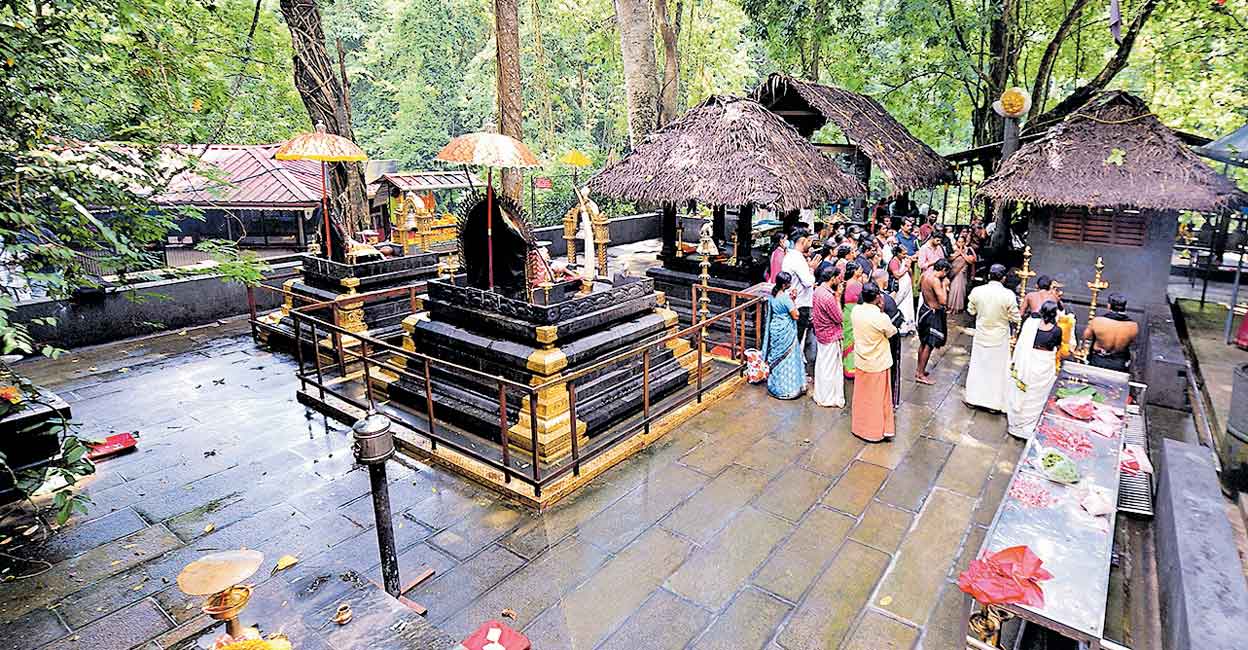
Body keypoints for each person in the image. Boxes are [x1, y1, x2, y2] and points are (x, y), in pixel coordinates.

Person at [964, 264, 1020, 412]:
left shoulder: (977, 291)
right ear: (1003, 278)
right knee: (996, 370)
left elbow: (971, 310)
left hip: (982, 334)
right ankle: (993, 404)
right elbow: (1015, 318)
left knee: (978, 366)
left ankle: (973, 399)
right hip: (999, 337)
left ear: (989, 276)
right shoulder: (1008, 295)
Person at [1007, 300, 1064, 439]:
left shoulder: (1030, 325)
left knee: (1026, 392)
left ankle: (1018, 423)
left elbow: (1020, 339)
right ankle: (1029, 425)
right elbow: (1057, 346)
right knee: (1038, 395)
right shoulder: (1056, 330)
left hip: (1029, 362)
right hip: (1044, 363)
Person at [851, 283, 899, 442]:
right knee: (878, 399)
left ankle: (860, 427)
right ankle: (874, 431)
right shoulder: (880, 317)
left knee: (862, 397)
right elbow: (892, 332)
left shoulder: (856, 311)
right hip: (878, 363)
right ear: (878, 297)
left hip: (861, 360)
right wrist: (882, 309)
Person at [763, 272, 806, 399]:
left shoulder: (773, 294)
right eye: (789, 283)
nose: (791, 284)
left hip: (775, 327)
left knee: (776, 358)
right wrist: (793, 301)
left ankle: (775, 386)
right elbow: (795, 315)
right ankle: (788, 388)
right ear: (784, 284)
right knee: (787, 358)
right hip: (786, 329)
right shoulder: (785, 298)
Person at [782, 228, 820, 361]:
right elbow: (808, 281)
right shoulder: (797, 259)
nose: (811, 243)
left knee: (796, 339)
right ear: (803, 241)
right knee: (797, 339)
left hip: (795, 301)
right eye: (809, 240)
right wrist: (811, 269)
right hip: (799, 304)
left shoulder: (792, 256)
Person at [811, 267, 846, 407]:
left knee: (822, 365)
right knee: (830, 368)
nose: (840, 281)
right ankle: (828, 397)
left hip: (821, 333)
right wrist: (838, 297)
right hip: (830, 334)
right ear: (832, 279)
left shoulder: (818, 291)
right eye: (838, 278)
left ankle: (821, 394)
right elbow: (839, 318)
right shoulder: (828, 297)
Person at [871, 271, 906, 407]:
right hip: (886, 343)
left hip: (869, 342)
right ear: (884, 282)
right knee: (891, 370)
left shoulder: (864, 297)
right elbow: (894, 326)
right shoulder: (887, 300)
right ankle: (890, 400)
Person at [915, 258, 950, 384]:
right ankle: (920, 374)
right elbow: (943, 301)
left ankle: (919, 370)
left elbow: (918, 287)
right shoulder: (935, 280)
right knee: (928, 345)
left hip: (924, 309)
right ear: (944, 270)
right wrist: (944, 285)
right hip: (932, 313)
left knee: (923, 342)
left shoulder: (925, 274)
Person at [1083, 293, 1138, 372]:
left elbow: (1086, 337)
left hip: (1098, 361)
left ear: (1109, 306)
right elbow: (1133, 344)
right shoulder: (1134, 326)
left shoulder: (1097, 321)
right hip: (1119, 363)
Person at [841, 265, 864, 379]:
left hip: (847, 312)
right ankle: (850, 368)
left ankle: (846, 366)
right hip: (853, 313)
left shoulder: (847, 283)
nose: (862, 271)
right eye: (860, 269)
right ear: (855, 272)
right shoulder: (857, 285)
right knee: (852, 339)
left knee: (847, 338)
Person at [947, 230, 977, 314]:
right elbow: (949, 259)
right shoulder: (953, 249)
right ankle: (950, 307)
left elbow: (971, 261)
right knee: (952, 289)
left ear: (964, 243)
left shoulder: (968, 250)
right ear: (956, 242)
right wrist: (957, 254)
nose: (960, 243)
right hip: (953, 273)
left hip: (962, 273)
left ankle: (958, 308)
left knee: (961, 290)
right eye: (959, 242)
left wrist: (962, 254)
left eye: (962, 242)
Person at [889, 245, 916, 335]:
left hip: (907, 288)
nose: (905, 255)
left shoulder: (904, 260)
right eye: (903, 254)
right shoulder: (894, 261)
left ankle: (909, 327)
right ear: (898, 253)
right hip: (899, 288)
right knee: (900, 306)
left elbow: (910, 272)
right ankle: (900, 328)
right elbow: (897, 275)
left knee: (908, 306)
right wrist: (906, 268)